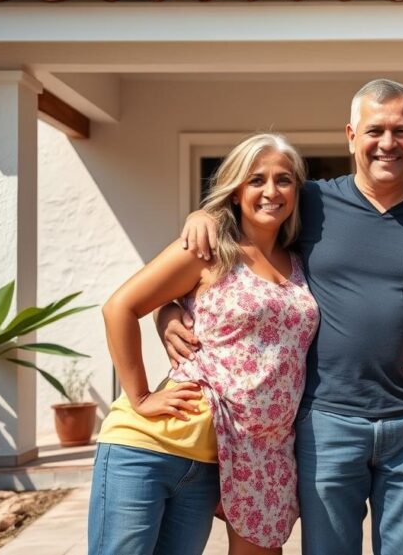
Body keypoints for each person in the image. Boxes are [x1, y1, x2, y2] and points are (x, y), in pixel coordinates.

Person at [163, 79, 403, 554]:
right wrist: (174, 297)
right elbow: (239, 238)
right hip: (326, 421)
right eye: (374, 130)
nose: (387, 143)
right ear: (351, 135)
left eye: (401, 131)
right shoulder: (310, 202)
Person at [90, 133, 318, 555]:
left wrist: (170, 310)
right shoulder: (208, 250)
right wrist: (139, 396)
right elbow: (119, 308)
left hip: (251, 452)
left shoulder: (303, 261)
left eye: (284, 179)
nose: (271, 191)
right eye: (256, 180)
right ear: (235, 190)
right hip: (157, 444)